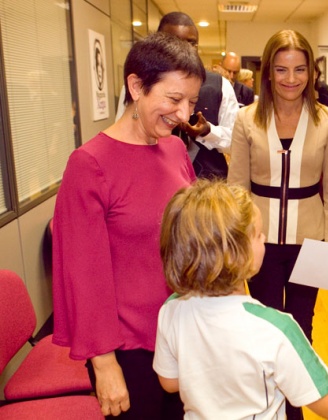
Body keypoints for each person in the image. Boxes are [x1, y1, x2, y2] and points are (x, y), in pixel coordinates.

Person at [153, 179, 328, 420]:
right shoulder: (275, 329)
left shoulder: (172, 309)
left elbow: (170, 381)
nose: (263, 240)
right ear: (236, 255)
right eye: (258, 235)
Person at [52, 32, 204, 418]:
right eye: (173, 100)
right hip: (130, 350)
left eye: (192, 102)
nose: (185, 115)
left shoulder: (173, 148)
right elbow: (83, 276)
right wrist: (105, 366)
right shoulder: (89, 164)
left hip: (184, 333)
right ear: (136, 86)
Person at [227, 29, 328, 420]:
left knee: (301, 326)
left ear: (311, 71)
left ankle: (293, 409)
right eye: (281, 69)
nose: (290, 79)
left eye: (299, 69)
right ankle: (267, 408)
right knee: (264, 324)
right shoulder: (246, 119)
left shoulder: (327, 120)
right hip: (259, 243)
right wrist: (236, 242)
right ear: (267, 72)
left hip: (308, 240)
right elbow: (237, 187)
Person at [115, 12, 239, 180]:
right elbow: (122, 131)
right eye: (174, 99)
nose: (183, 114)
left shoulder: (220, 85)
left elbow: (235, 140)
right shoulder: (140, 85)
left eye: (192, 43)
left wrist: (208, 132)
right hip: (149, 175)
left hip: (207, 185)